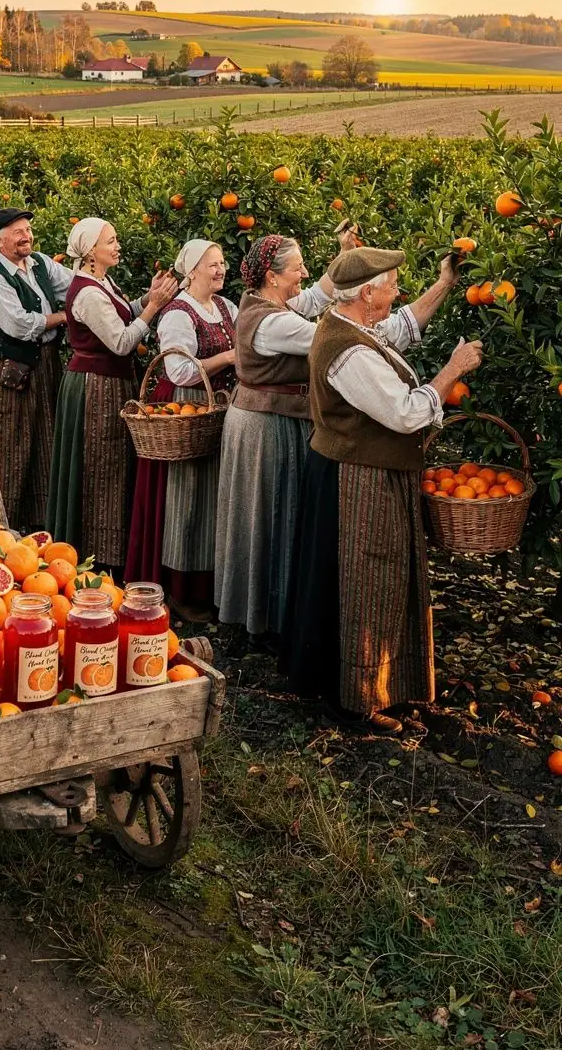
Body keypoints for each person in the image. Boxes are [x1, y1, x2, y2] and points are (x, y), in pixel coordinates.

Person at [283, 247, 482, 735]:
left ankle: (382, 688)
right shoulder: (346, 350)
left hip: (367, 474)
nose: (399, 291)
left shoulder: (356, 327)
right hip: (357, 482)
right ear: (367, 293)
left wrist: (446, 284)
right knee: (366, 581)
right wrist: (452, 370)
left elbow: (404, 326)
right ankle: (352, 702)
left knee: (381, 581)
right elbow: (404, 413)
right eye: (392, 284)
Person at [215, 233, 351, 650]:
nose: (304, 274)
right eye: (297, 268)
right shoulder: (272, 322)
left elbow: (312, 296)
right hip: (265, 428)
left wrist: (342, 261)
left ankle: (261, 611)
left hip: (263, 420)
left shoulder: (265, 304)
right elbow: (329, 338)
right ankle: (265, 620)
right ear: (273, 277)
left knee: (266, 515)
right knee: (269, 515)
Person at [46, 217, 178, 570]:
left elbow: (122, 314)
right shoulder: (87, 292)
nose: (118, 246)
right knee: (100, 464)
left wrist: (147, 299)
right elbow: (120, 342)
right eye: (111, 241)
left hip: (109, 383)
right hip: (96, 387)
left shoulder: (101, 280)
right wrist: (154, 308)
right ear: (91, 251)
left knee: (112, 463)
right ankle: (96, 556)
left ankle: (108, 551)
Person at [125, 239, 237, 621]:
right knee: (186, 498)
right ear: (191, 271)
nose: (220, 270)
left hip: (216, 410)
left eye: (222, 263)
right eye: (212, 265)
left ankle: (209, 584)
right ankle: (179, 587)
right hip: (185, 410)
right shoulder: (178, 312)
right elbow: (178, 369)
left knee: (212, 498)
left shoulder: (225, 307)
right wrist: (227, 357)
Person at [0, 208, 72, 530]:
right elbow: (21, 324)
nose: (26, 236)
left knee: (44, 441)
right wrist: (64, 317)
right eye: (17, 232)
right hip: (10, 370)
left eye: (27, 229)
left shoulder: (39, 263)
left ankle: (38, 524)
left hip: (46, 365)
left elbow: (74, 286)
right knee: (8, 446)